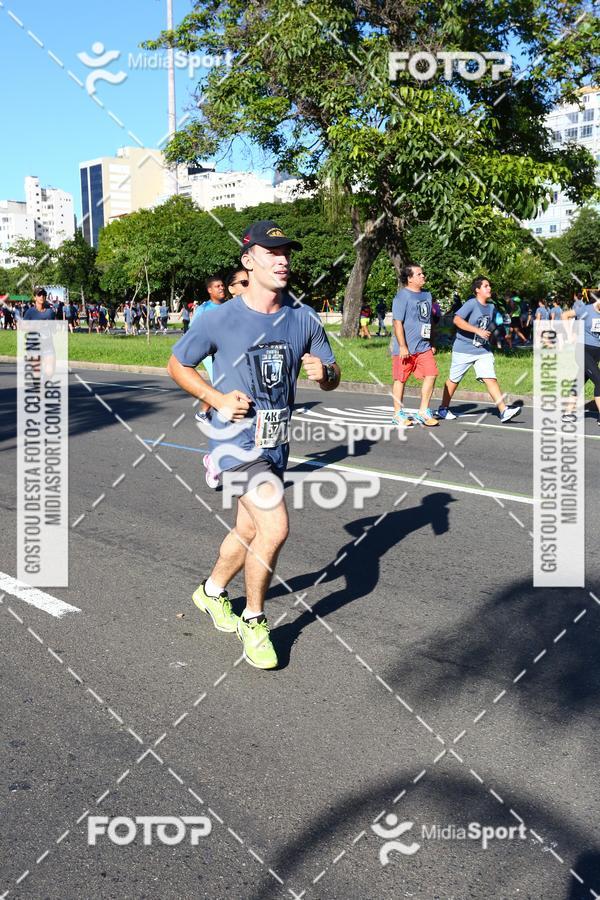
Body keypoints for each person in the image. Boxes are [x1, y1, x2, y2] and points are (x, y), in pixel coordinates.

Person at [167, 219, 340, 669]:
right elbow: (177, 365)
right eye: (271, 252)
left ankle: (210, 593)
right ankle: (255, 618)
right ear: (249, 260)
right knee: (275, 528)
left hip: (276, 441)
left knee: (247, 530)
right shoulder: (220, 318)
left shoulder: (303, 317)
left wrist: (326, 375)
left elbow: (331, 375)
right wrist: (216, 397)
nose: (282, 259)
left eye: (286, 252)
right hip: (234, 442)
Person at [436, 276, 522, 423]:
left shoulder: (491, 307)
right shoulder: (471, 303)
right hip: (463, 349)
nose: (489, 288)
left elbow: (496, 322)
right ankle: (443, 408)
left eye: (489, 286)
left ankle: (503, 411)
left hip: (482, 349)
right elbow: (457, 320)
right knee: (454, 380)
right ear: (477, 290)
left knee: (490, 378)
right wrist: (477, 331)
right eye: (485, 286)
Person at [390, 264, 439, 427]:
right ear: (409, 278)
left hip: (423, 347)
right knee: (400, 379)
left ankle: (423, 412)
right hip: (405, 349)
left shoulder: (427, 295)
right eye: (419, 274)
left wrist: (431, 342)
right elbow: (397, 323)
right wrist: (403, 346)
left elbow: (429, 321)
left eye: (422, 273)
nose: (423, 276)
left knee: (431, 374)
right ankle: (398, 414)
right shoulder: (402, 296)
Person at [562, 293, 600, 425]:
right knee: (599, 380)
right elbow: (565, 315)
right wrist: (570, 335)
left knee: (580, 380)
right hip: (582, 350)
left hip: (596, 353)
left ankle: (567, 412)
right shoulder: (586, 309)